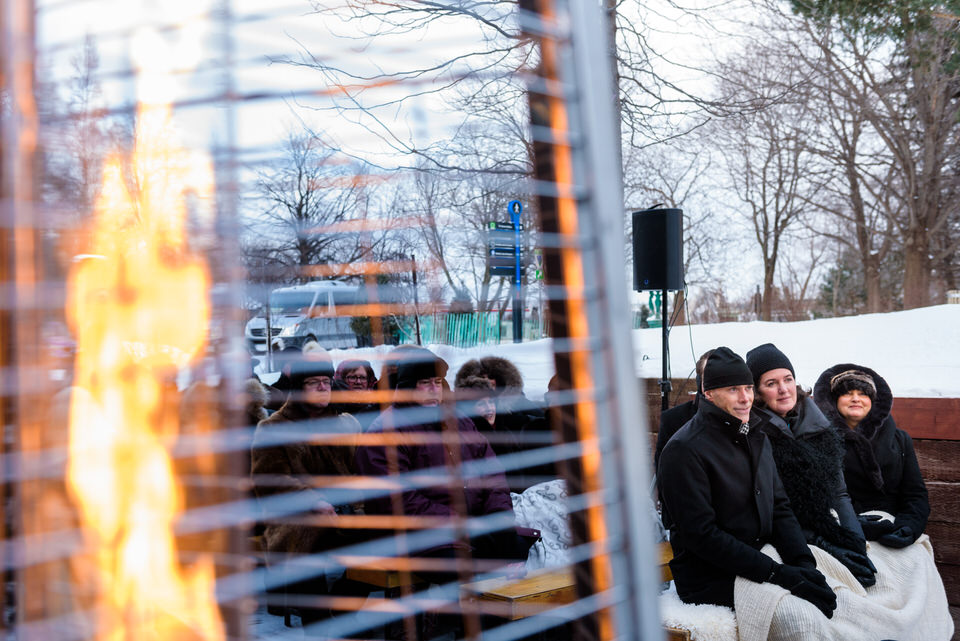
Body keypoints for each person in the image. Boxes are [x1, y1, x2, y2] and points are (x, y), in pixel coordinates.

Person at [658, 347, 836, 618]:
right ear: (708, 393)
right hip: (709, 577)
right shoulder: (684, 449)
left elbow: (779, 507)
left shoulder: (755, 434)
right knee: (800, 614)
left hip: (758, 558)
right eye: (732, 390)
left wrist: (802, 564)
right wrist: (778, 574)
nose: (744, 398)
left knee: (836, 594)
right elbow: (702, 535)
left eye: (748, 388)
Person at [356, 347, 534, 578]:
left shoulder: (458, 422)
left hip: (470, 526)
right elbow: (396, 500)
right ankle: (449, 613)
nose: (433, 389)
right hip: (417, 536)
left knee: (517, 547)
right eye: (425, 383)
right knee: (468, 566)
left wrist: (497, 516)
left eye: (438, 382)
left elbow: (492, 473)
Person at [250, 348, 367, 629]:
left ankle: (339, 614)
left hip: (346, 510)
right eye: (314, 383)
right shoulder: (273, 427)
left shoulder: (345, 423)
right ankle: (319, 625)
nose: (322, 388)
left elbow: (358, 471)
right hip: (295, 516)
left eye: (326, 382)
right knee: (307, 539)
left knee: (383, 541)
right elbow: (270, 479)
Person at [745, 343, 875, 587]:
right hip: (783, 539)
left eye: (788, 379)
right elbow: (770, 511)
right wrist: (826, 546)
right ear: (758, 393)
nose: (784, 390)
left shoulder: (817, 424)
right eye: (771, 384)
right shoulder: (753, 435)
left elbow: (839, 492)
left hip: (824, 524)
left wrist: (855, 542)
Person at [813, 364, 930, 548]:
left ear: (873, 400)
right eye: (847, 393)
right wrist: (853, 525)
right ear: (835, 400)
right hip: (844, 527)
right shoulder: (820, 440)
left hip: (893, 525)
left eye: (863, 393)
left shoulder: (900, 440)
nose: (855, 399)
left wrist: (908, 527)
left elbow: (915, 494)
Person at [655, 349, 713, 476]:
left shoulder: (745, 418)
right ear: (700, 382)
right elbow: (664, 472)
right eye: (709, 378)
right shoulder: (674, 420)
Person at [333, 358, 380, 430]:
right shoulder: (333, 408)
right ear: (342, 380)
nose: (358, 382)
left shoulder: (378, 406)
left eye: (363, 378)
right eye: (352, 377)